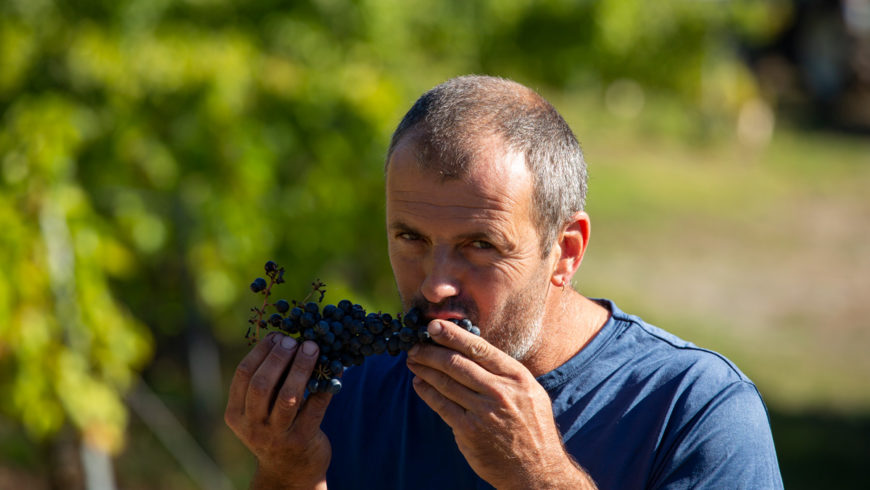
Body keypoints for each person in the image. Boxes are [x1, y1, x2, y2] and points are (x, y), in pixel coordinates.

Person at [224, 75, 784, 489]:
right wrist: (288, 473)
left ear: (565, 251)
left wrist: (540, 475)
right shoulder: (355, 387)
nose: (436, 284)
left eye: (480, 246)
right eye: (411, 238)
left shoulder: (694, 410)